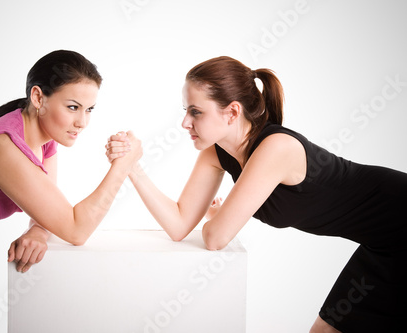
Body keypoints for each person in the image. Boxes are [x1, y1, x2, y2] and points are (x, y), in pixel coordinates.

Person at [105, 56, 406, 332]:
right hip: (382, 242)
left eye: (195, 111)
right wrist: (132, 167)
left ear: (232, 111)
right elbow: (179, 224)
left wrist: (219, 219)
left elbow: (215, 238)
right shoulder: (216, 153)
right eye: (186, 111)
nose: (185, 122)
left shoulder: (275, 148)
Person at [0, 49, 141, 330]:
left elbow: (50, 209)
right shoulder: (3, 148)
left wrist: (38, 231)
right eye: (72, 107)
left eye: (89, 109)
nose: (83, 122)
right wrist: (123, 165)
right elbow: (76, 230)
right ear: (38, 97)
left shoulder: (43, 138)